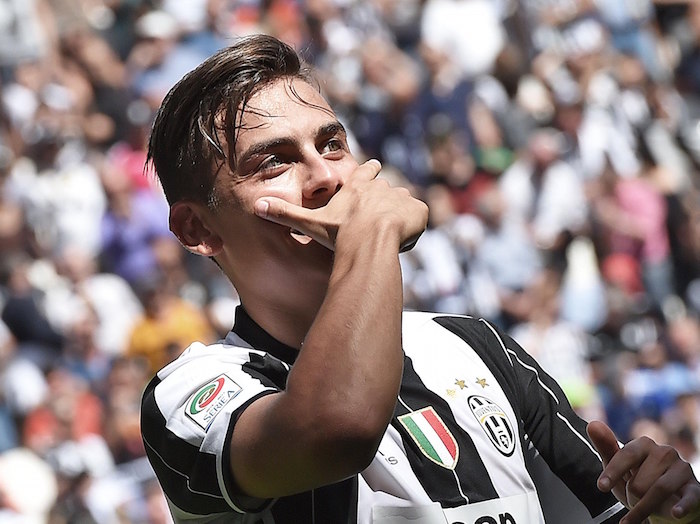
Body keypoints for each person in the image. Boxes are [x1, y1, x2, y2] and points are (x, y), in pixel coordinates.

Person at [140, 34, 700, 523]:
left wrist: (672, 512)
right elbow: (338, 428)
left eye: (332, 144)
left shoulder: (472, 345)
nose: (326, 176)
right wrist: (373, 233)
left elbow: (613, 513)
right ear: (197, 229)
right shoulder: (192, 392)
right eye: (275, 162)